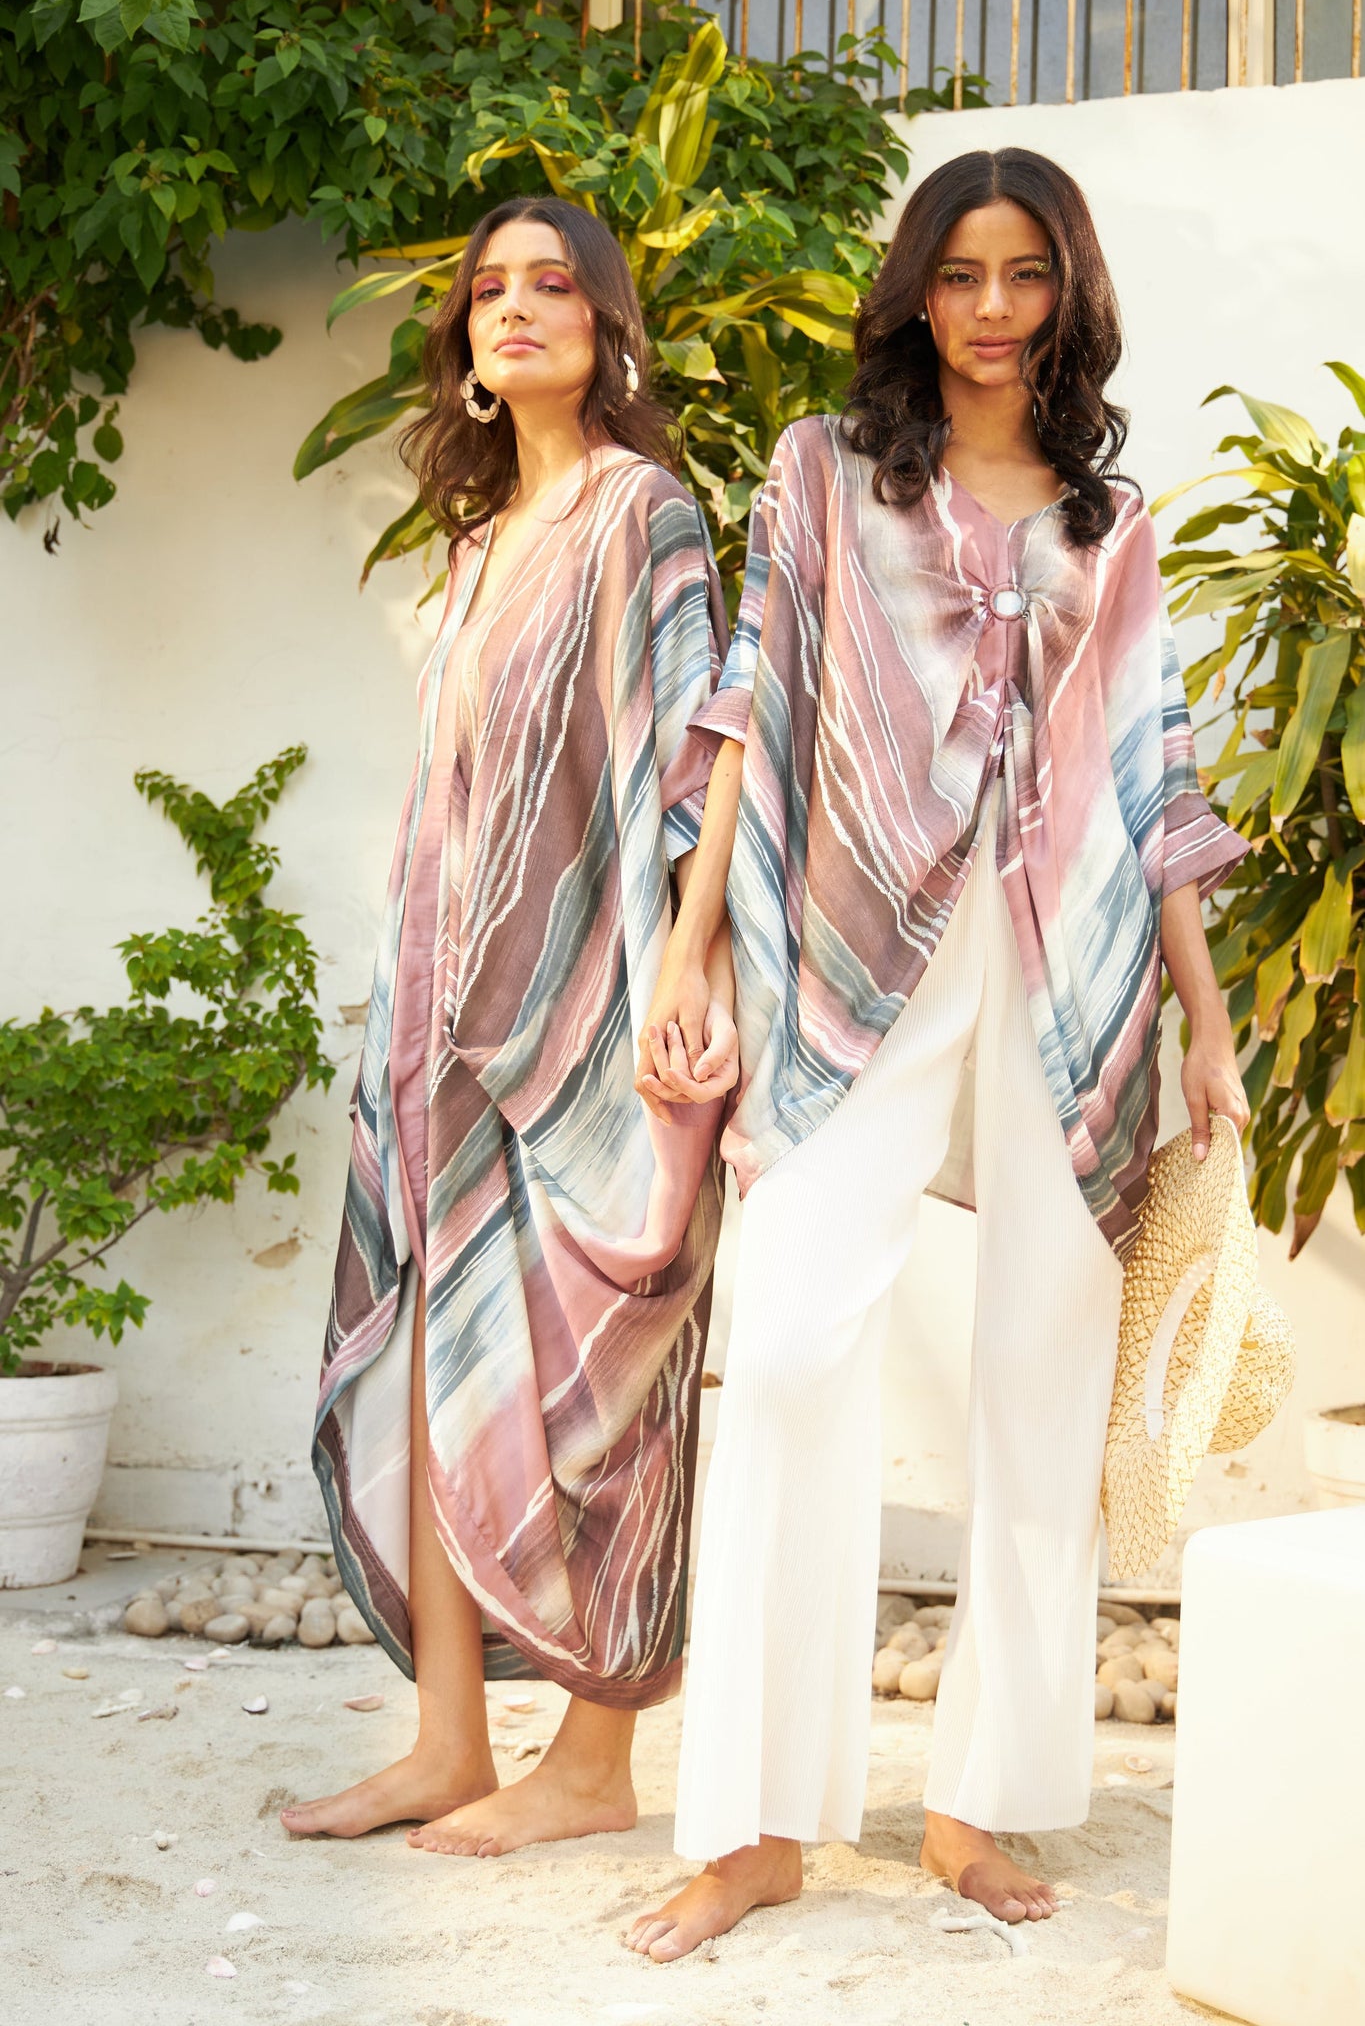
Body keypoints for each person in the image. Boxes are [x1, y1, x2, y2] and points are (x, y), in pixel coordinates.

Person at [626, 147, 1250, 1957]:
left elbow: (1154, 772)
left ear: (1068, 294)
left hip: (1072, 964)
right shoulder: (824, 473)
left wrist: (1207, 1027)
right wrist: (692, 945)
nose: (991, 309)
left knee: (1041, 1375)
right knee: (789, 1350)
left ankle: (977, 1799)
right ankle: (755, 1825)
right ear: (915, 289)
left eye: (1025, 274)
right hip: (850, 952)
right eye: (961, 274)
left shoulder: (1107, 519)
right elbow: (747, 700)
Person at [283, 197, 740, 1857]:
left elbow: (704, 758)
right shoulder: (478, 545)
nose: (515, 309)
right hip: (446, 1016)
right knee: (435, 1352)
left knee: (612, 1378)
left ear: (607, 325)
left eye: (554, 285)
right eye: (489, 290)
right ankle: (448, 1743)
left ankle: (595, 1765)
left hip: (603, 1017)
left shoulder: (643, 513)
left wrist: (688, 974)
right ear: (465, 342)